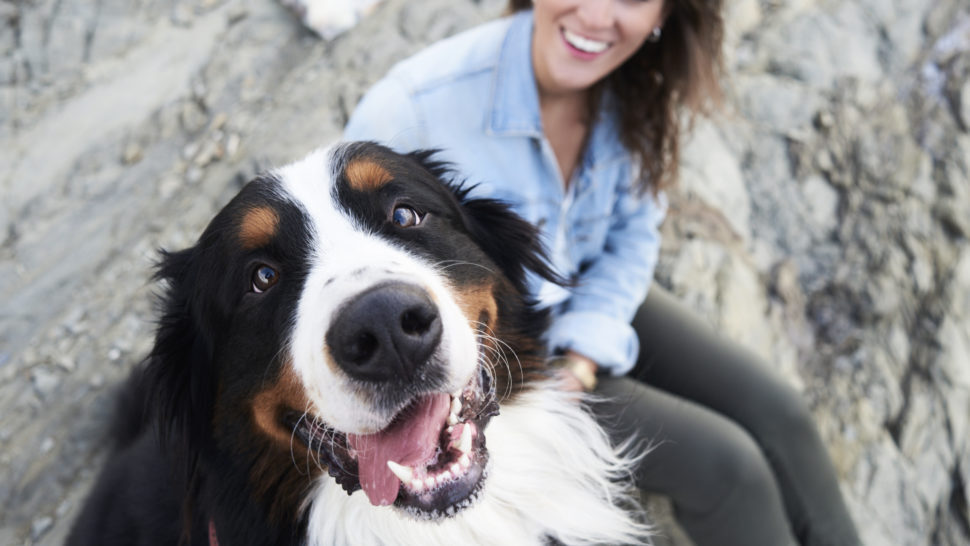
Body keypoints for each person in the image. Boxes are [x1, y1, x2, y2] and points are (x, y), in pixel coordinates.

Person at [343, 1, 862, 544]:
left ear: (665, 12)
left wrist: (588, 350)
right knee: (729, 469)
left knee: (780, 412)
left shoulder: (639, 86)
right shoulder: (411, 109)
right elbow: (355, 267)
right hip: (497, 352)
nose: (595, 14)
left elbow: (633, 234)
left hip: (586, 291)